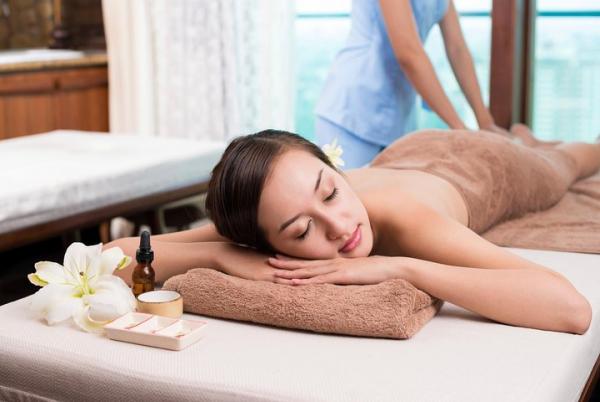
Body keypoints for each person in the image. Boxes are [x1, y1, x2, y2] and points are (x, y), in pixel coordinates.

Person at [107, 126, 599, 334]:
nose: (341, 227)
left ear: (333, 168)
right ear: (261, 241)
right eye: (303, 231)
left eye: (331, 192)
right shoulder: (267, 206)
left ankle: (539, 142)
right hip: (411, 156)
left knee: (562, 163)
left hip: (484, 165)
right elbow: (110, 255)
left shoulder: (407, 221)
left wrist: (404, 267)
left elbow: (571, 309)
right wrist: (220, 254)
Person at [315, 0, 537, 168]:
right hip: (353, 112)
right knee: (350, 206)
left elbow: (457, 49)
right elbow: (409, 53)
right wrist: (460, 128)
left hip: (397, 117)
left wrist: (485, 122)